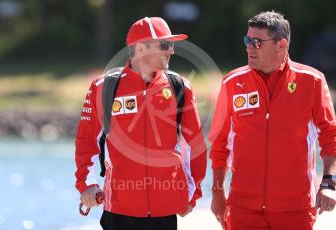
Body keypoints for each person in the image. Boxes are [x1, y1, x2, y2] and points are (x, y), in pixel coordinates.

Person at [74, 16, 207, 230]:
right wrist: (87, 184)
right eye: (165, 44)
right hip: (118, 210)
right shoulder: (103, 87)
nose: (171, 51)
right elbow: (87, 142)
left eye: (172, 45)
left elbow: (193, 146)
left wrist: (191, 194)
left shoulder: (180, 87)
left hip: (164, 212)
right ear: (141, 48)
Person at [209, 11, 336, 230]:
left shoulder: (312, 81)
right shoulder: (232, 82)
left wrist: (329, 182)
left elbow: (330, 134)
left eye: (257, 42)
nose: (249, 47)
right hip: (244, 208)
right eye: (247, 40)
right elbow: (220, 144)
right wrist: (218, 193)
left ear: (282, 45)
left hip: (295, 208)